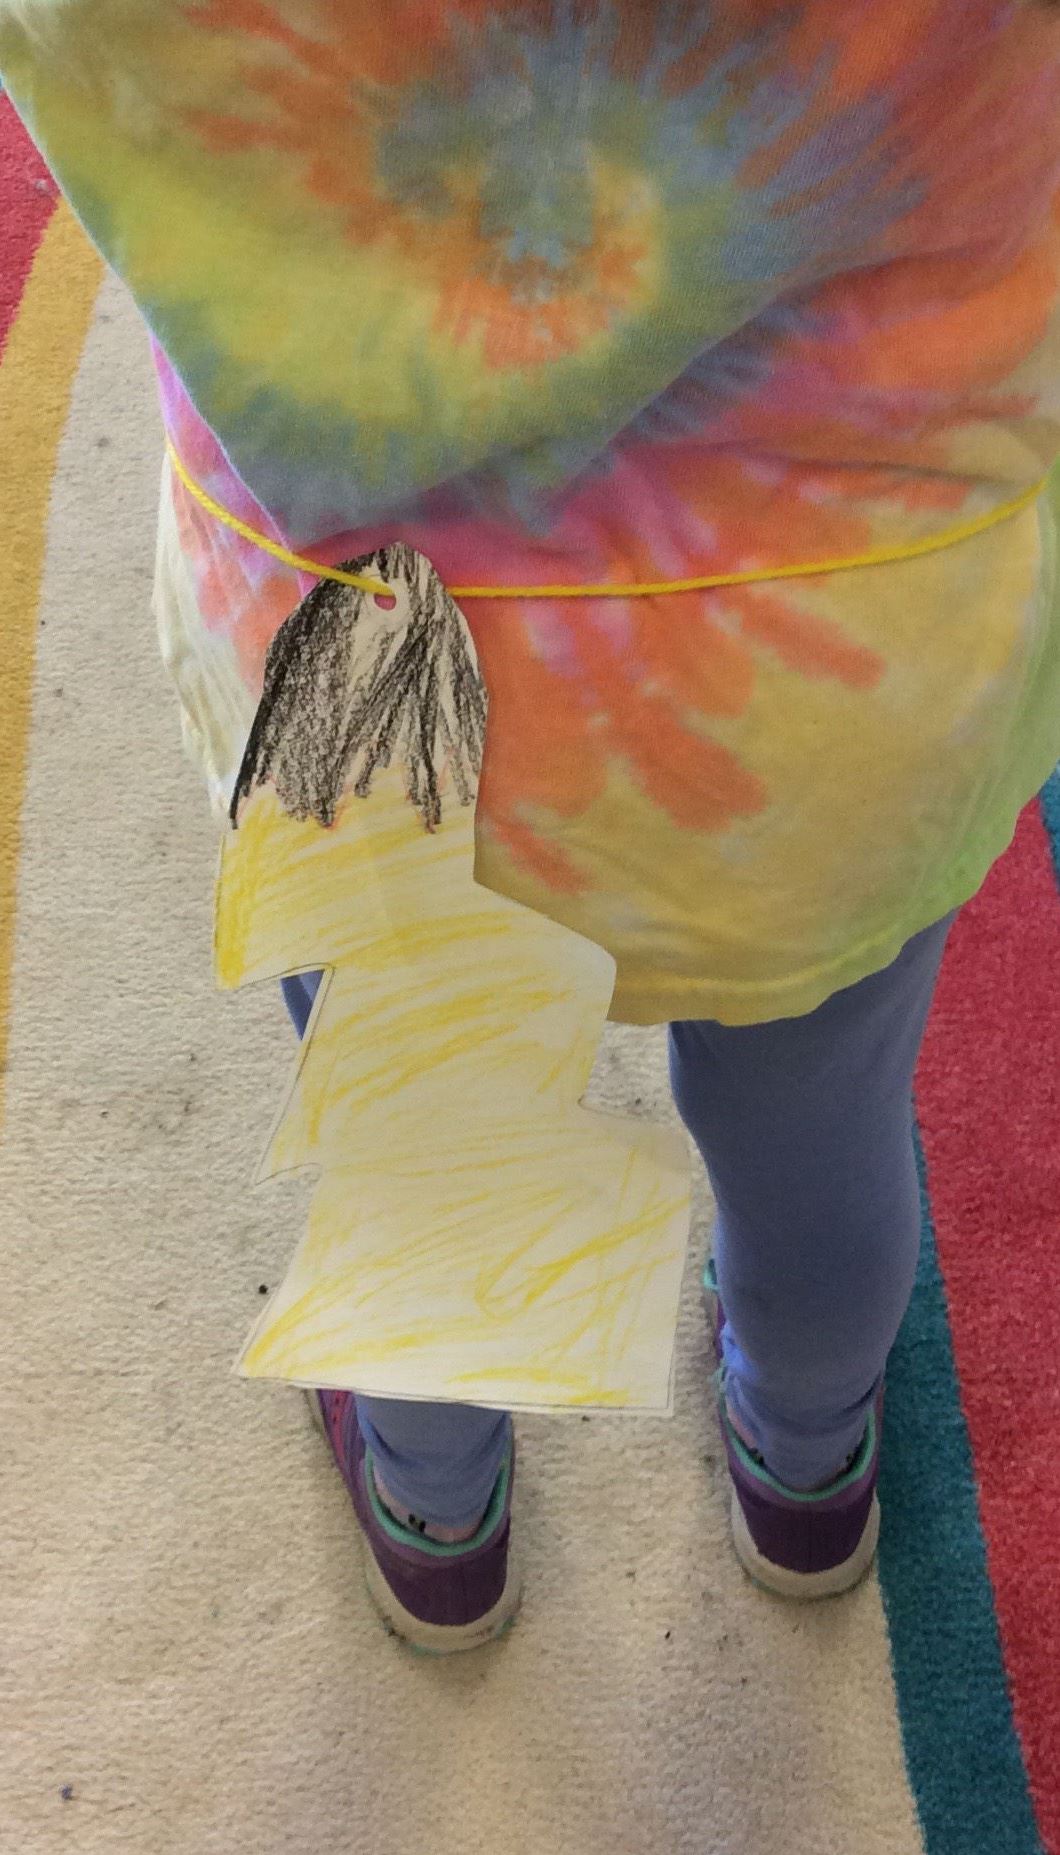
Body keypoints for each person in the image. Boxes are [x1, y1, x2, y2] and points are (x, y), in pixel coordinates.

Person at [2, 0, 1058, 1654]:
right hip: (851, 669)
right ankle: (808, 1460)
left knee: (425, 1140)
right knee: (820, 1125)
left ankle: (438, 1519)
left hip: (369, 661)